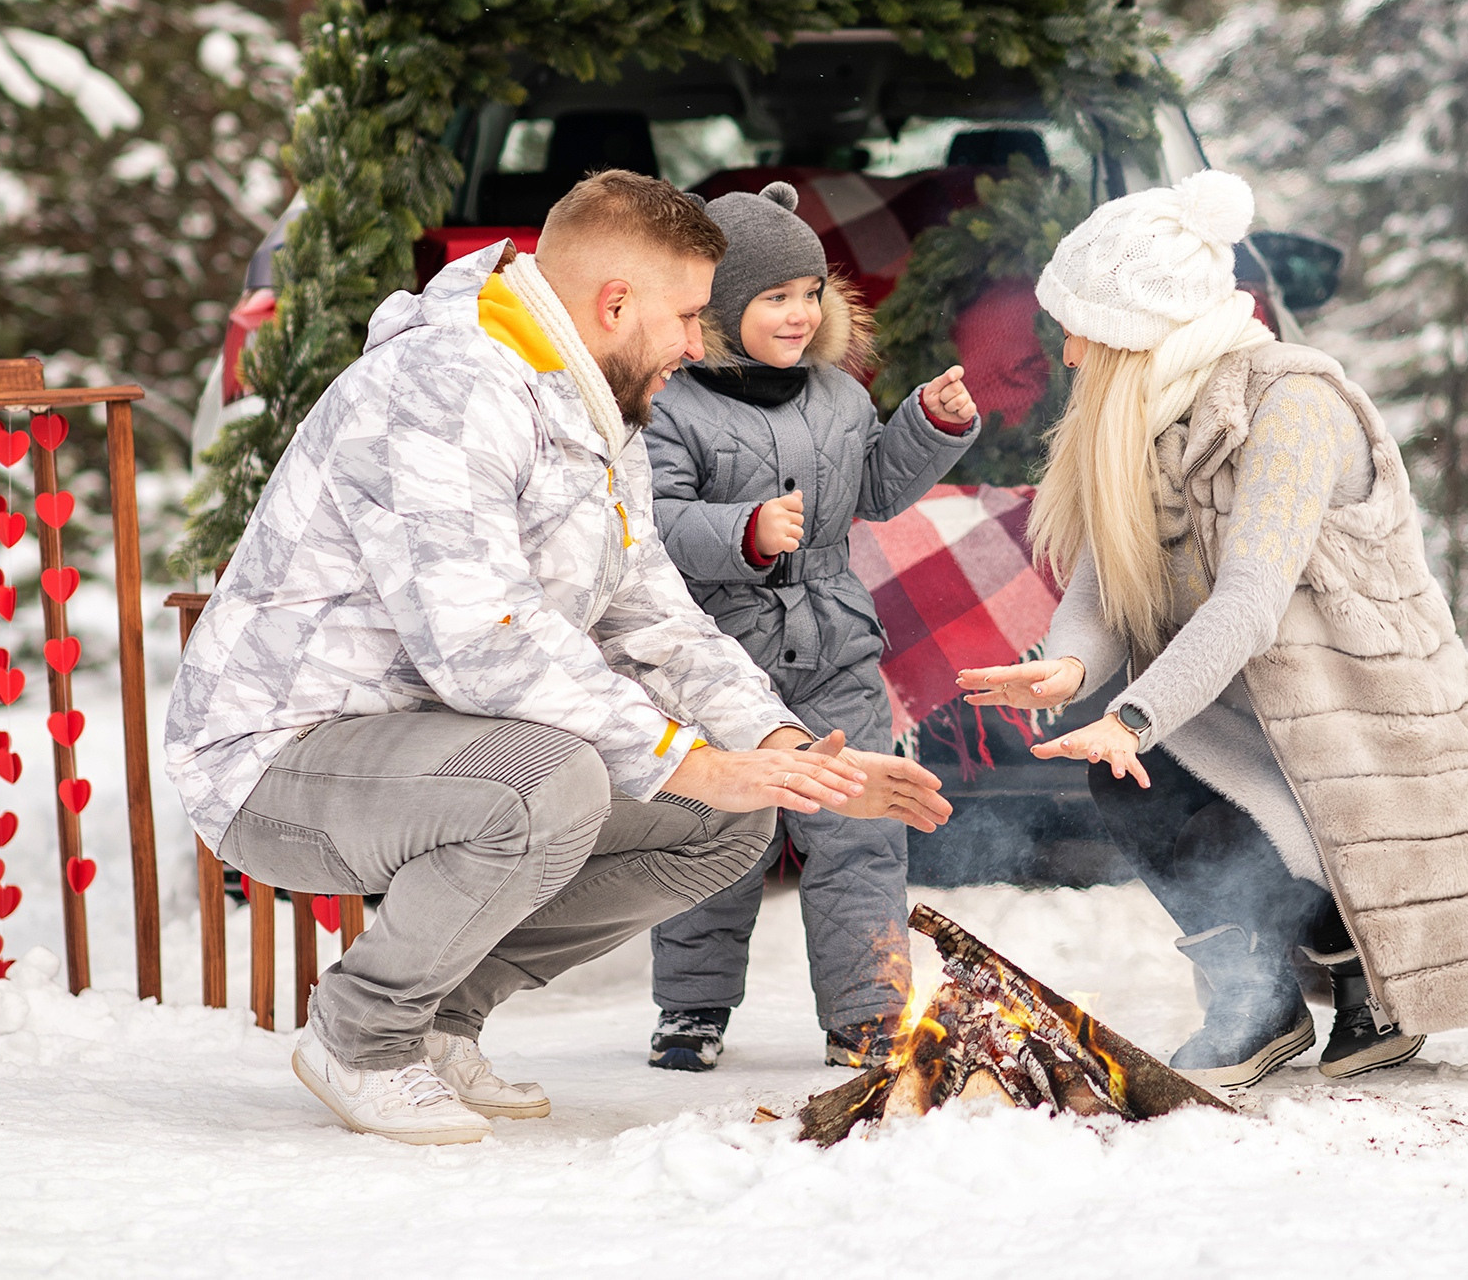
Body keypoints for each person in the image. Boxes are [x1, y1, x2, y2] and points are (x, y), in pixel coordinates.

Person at [167, 171, 952, 1145]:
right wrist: (687, 752)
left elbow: (652, 619)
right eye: (684, 316)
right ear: (613, 304)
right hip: (277, 758)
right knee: (556, 781)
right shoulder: (442, 391)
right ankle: (361, 1036)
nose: (694, 343)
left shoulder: (593, 403)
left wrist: (789, 754)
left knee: (727, 820)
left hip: (435, 753)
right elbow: (482, 643)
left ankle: (439, 1019)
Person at [957, 169, 1468, 1089]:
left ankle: (1361, 970)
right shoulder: (1155, 422)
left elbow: (1249, 600)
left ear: (1141, 329)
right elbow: (1099, 586)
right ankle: (1259, 1002)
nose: (1068, 355)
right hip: (1240, 706)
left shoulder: (1293, 406)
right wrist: (1072, 672)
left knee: (1202, 805)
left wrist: (1135, 712)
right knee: (1128, 776)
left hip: (1359, 726)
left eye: (1082, 329)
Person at [642, 182, 980, 1072]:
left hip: (834, 645)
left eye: (810, 292)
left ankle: (868, 1009)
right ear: (716, 306)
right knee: (714, 832)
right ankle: (691, 1004)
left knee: (861, 832)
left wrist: (928, 427)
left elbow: (870, 487)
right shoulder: (671, 403)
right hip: (720, 651)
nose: (800, 314)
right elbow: (651, 518)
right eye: (774, 297)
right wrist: (743, 532)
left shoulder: (836, 394)